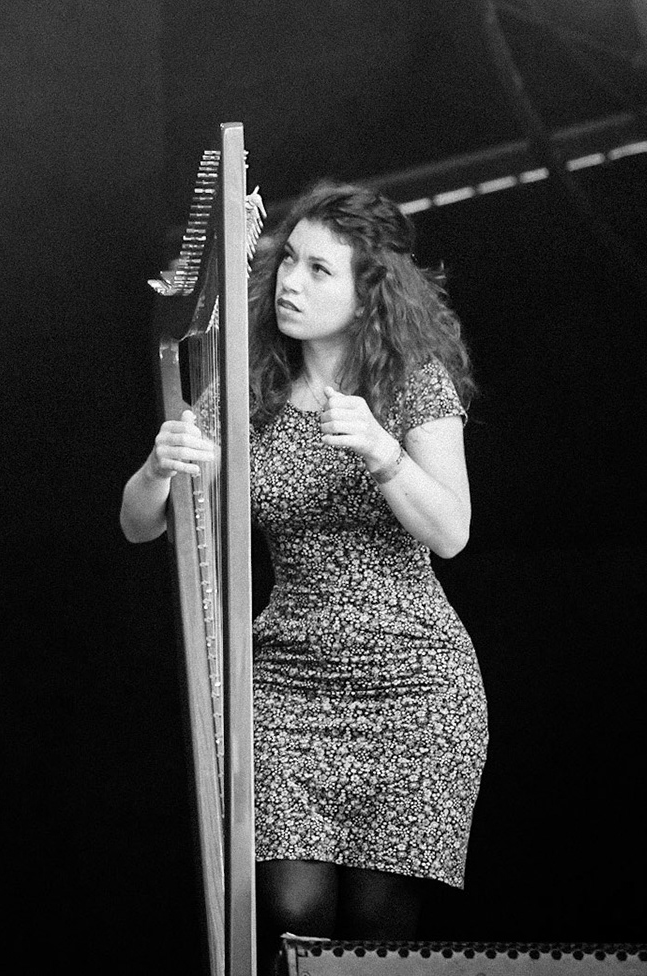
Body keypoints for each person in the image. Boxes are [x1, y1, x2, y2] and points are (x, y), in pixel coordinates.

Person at [120, 180, 485, 964]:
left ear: (366, 293)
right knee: (292, 907)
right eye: (289, 259)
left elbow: (451, 532)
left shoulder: (410, 383)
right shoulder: (249, 389)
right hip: (288, 683)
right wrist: (158, 468)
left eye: (320, 270)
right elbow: (139, 523)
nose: (290, 281)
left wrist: (383, 453)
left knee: (382, 928)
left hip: (415, 690)